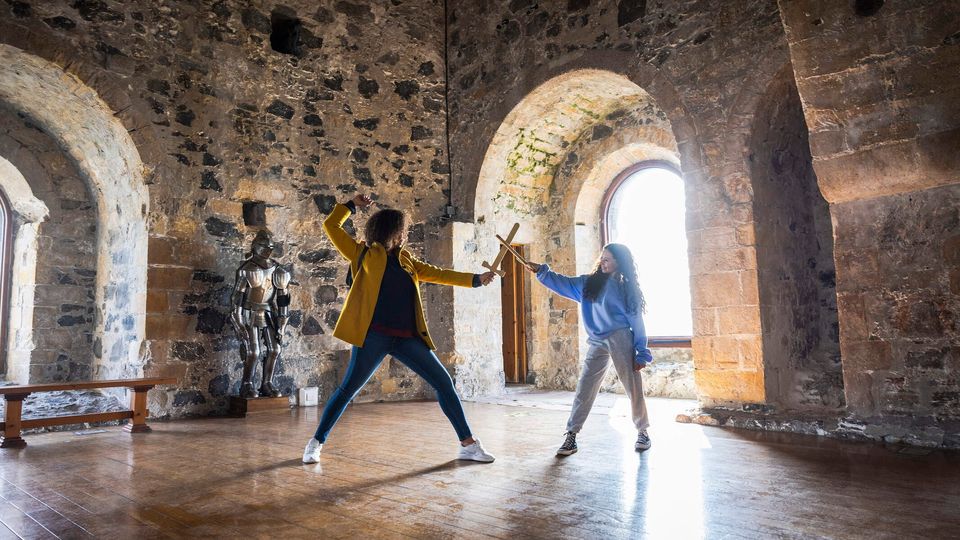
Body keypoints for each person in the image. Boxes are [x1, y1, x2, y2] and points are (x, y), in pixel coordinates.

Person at [303, 193, 498, 464]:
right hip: (373, 336)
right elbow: (331, 226)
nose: (405, 234)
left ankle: (468, 444)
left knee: (444, 382)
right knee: (348, 389)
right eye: (403, 230)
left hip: (407, 339)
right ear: (393, 232)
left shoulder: (407, 262)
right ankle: (316, 443)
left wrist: (476, 279)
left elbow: (439, 273)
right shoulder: (362, 253)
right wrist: (351, 206)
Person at [523, 244, 653, 455]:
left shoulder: (626, 288)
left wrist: (641, 352)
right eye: (602, 258)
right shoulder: (587, 284)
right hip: (597, 341)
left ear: (619, 263)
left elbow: (637, 323)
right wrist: (542, 271)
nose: (603, 262)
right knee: (585, 387)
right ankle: (571, 435)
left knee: (633, 387)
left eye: (608, 259)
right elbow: (562, 283)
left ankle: (643, 432)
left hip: (620, 337)